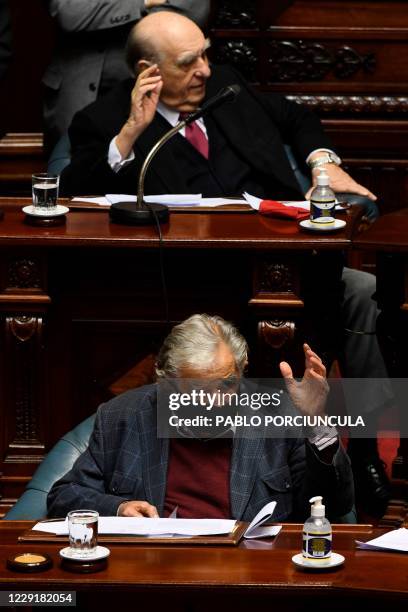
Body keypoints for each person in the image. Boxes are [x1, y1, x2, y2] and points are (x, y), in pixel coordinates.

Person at [58, 11, 391, 515]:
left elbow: (295, 118)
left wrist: (323, 162)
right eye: (189, 61)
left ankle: (363, 448)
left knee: (363, 292)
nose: (206, 70)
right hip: (186, 282)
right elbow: (74, 198)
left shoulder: (228, 87)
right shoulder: (105, 121)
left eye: (206, 54)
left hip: (289, 262)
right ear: (149, 70)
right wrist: (130, 133)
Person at [47, 314, 354, 521]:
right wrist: (118, 507)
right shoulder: (123, 416)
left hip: (249, 572)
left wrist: (316, 422)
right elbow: (64, 496)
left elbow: (335, 505)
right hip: (154, 571)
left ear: (241, 369)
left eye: (225, 385)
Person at [43, 1, 210, 152]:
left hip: (154, 93)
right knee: (78, 173)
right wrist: (145, 3)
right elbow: (71, 13)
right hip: (77, 91)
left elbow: (194, 9)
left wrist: (102, 11)